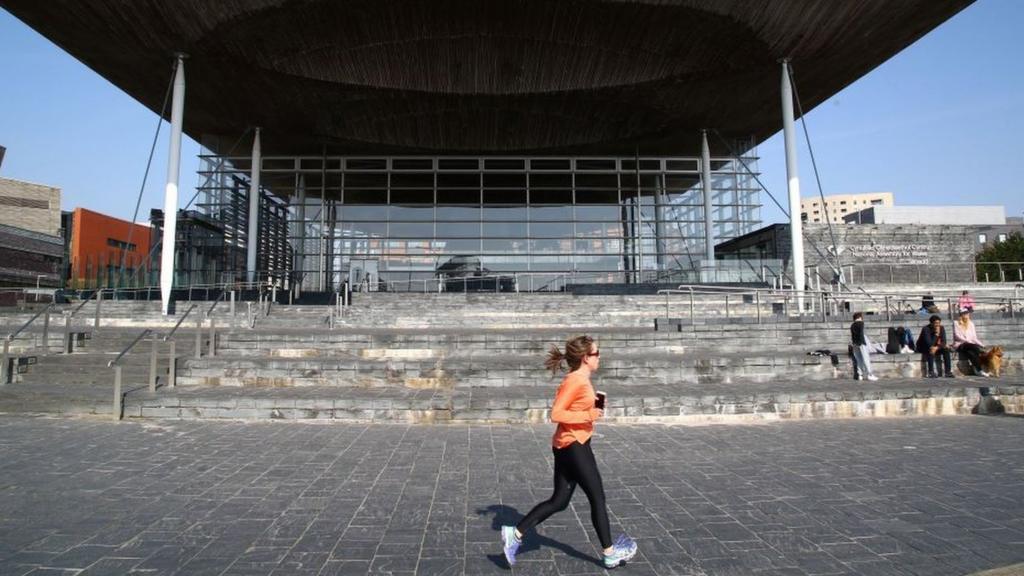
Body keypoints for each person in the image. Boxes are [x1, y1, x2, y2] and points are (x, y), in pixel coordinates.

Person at [501, 335, 638, 569]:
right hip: (575, 446)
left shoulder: (582, 380)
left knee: (559, 501)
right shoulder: (576, 381)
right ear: (586, 358)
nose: (599, 357)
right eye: (596, 353)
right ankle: (610, 553)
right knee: (597, 498)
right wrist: (589, 415)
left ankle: (515, 533)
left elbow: (573, 408)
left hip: (568, 445)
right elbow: (556, 413)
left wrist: (592, 407)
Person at [952, 309, 990, 377]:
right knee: (975, 348)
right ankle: (978, 370)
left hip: (971, 346)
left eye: (967, 313)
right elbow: (957, 335)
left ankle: (977, 370)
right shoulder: (956, 323)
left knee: (971, 353)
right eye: (964, 314)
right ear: (961, 315)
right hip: (961, 344)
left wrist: (982, 345)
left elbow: (974, 338)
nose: (966, 315)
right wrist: (968, 341)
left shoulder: (971, 324)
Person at [850, 312, 878, 381]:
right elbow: (861, 334)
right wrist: (863, 342)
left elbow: (853, 336)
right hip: (861, 343)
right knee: (866, 358)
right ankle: (870, 374)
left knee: (858, 360)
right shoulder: (861, 324)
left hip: (855, 344)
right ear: (860, 317)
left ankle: (860, 375)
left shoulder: (852, 325)